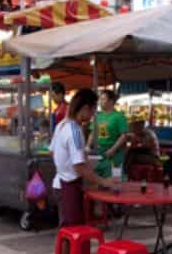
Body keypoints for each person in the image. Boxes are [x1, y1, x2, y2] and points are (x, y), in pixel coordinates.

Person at [50, 89, 114, 227]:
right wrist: (103, 181)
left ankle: (64, 249)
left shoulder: (62, 125)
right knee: (73, 231)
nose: (93, 115)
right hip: (68, 185)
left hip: (60, 183)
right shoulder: (74, 131)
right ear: (85, 108)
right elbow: (78, 167)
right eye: (93, 110)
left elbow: (52, 152)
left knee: (67, 231)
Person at [90, 90, 129, 178]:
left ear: (111, 101)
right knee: (98, 178)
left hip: (114, 153)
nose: (100, 102)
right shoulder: (98, 116)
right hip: (99, 151)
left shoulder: (119, 116)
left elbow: (124, 135)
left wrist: (113, 149)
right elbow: (93, 132)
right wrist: (88, 146)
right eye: (99, 99)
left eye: (103, 99)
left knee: (112, 178)